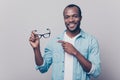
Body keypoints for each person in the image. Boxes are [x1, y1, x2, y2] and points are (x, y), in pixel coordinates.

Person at [29, 4, 101, 80]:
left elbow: (96, 72)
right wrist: (36, 48)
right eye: (67, 17)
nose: (71, 20)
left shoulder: (91, 41)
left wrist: (75, 52)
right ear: (64, 19)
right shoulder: (54, 42)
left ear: (80, 18)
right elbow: (42, 68)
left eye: (75, 16)